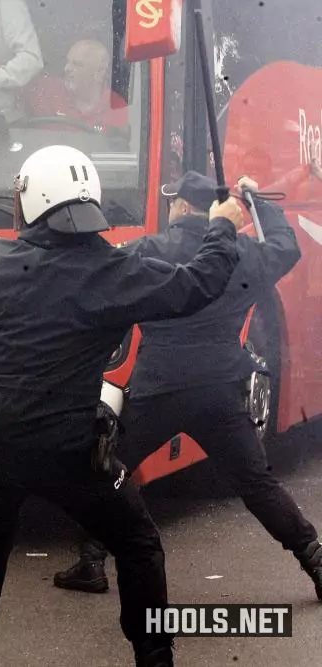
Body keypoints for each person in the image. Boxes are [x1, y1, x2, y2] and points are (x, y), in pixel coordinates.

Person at [0, 145, 245, 666]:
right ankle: (154, 657)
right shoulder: (114, 270)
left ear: (32, 200)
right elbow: (200, 284)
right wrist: (221, 226)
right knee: (137, 542)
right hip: (68, 453)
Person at [53, 171, 322, 601]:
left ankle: (91, 561)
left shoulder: (149, 250)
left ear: (179, 206)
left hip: (158, 387)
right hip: (220, 390)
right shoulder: (245, 253)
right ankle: (315, 559)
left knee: (107, 470)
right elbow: (286, 247)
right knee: (257, 486)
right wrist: (257, 201)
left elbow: (95, 281)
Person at [30, 39, 127, 132]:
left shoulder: (116, 108)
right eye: (67, 62)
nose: (67, 68)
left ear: (99, 72)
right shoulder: (47, 90)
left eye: (77, 64)